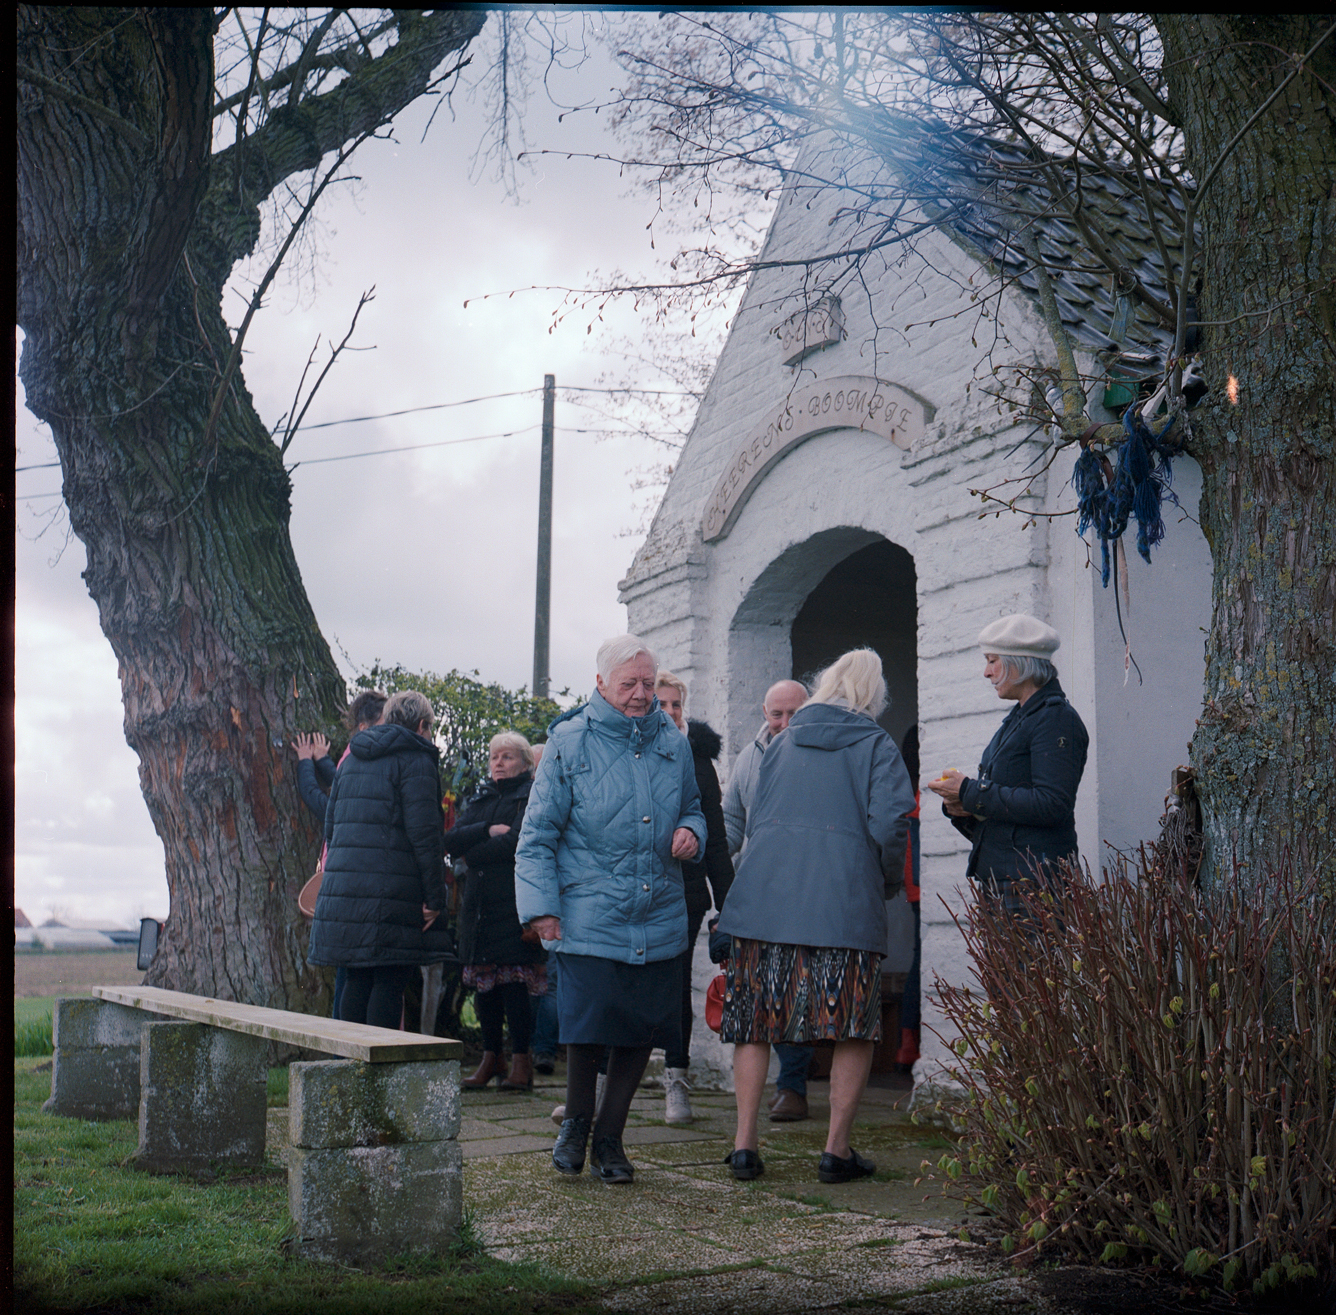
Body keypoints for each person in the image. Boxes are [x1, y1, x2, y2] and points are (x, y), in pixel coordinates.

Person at [717, 649, 914, 1184]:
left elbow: (758, 818)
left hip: (764, 903)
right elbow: (892, 824)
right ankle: (835, 1152)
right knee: (852, 1027)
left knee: (755, 1024)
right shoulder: (876, 745)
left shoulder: (780, 742)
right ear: (873, 695)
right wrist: (887, 880)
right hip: (842, 905)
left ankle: (744, 1147)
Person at [516, 635, 706, 1185]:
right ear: (601, 684)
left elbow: (693, 807)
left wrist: (691, 832)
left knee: (640, 1029)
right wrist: (541, 909)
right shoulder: (568, 743)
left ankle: (611, 1139)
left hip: (659, 911)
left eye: (649, 683)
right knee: (589, 1023)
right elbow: (537, 836)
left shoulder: (673, 743)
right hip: (588, 909)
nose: (643, 694)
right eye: (631, 684)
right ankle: (576, 1124)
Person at [925, 614, 1089, 918]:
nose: (986, 672)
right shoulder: (1021, 719)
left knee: (1034, 967)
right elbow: (1011, 813)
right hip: (1010, 878)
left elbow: (1053, 803)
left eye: (992, 661)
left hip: (1035, 882)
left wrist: (969, 790)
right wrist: (962, 805)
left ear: (1020, 663)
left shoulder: (1055, 719)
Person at [308, 690, 450, 1029]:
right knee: (389, 980)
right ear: (422, 725)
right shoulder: (416, 760)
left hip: (346, 890)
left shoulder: (352, 758)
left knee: (356, 979)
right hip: (393, 891)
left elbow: (332, 825)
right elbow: (426, 836)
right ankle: (378, 1075)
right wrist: (434, 897)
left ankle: (350, 1068)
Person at [721, 678, 815, 1123]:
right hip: (756, 892)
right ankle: (752, 1103)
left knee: (796, 992)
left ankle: (792, 1087)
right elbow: (730, 824)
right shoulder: (747, 759)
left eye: (793, 713)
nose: (783, 723)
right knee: (758, 996)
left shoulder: (818, 754)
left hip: (803, 889)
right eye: (776, 714)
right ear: (764, 712)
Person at [654, 670, 734, 1125]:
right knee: (619, 987)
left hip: (685, 892)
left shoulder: (699, 762)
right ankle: (599, 1088)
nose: (667, 713)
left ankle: (676, 1082)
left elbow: (717, 840)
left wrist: (730, 905)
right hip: (634, 891)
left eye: (675, 705)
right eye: (659, 705)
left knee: (674, 986)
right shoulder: (634, 751)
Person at [447, 732, 545, 1092]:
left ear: (524, 762)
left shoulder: (531, 795)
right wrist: (486, 829)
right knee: (484, 986)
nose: (499, 763)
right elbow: (452, 840)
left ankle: (522, 1061)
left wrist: (474, 853)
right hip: (479, 906)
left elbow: (520, 841)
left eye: (507, 757)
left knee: (514, 986)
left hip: (514, 901)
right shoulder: (480, 797)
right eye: (494, 757)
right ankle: (492, 1059)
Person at [896, 727, 922, 1067]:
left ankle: (907, 1044)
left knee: (919, 958)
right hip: (920, 884)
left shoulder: (908, 790)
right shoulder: (919, 795)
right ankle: (908, 1043)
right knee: (922, 962)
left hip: (913, 886)